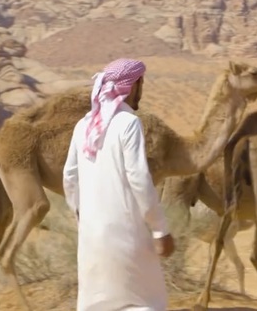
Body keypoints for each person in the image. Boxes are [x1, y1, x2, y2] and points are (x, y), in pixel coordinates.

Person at [62, 58, 175, 311]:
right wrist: (160, 229)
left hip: (91, 237)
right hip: (126, 233)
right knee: (143, 302)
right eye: (141, 83)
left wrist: (83, 216)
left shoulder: (83, 126)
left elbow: (69, 176)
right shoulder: (128, 124)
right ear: (134, 85)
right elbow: (139, 178)